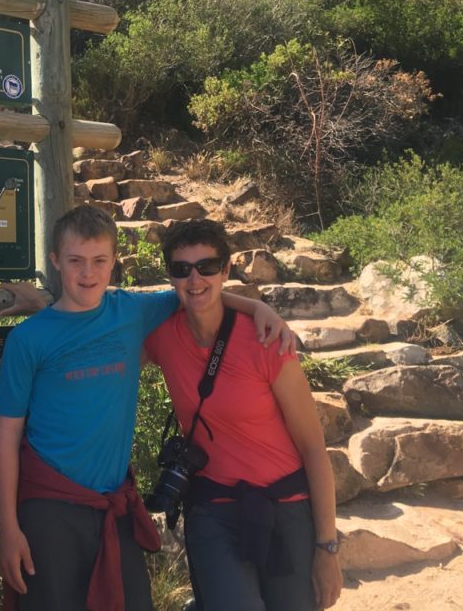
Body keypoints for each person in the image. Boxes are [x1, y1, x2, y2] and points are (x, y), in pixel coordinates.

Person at [0, 204, 295, 611]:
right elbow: (6, 436)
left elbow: (197, 293)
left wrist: (259, 307)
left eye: (99, 261)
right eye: (75, 261)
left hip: (113, 503)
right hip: (51, 507)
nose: (87, 273)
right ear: (55, 262)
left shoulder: (132, 310)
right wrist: (8, 530)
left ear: (114, 263)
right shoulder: (28, 340)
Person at [144, 219, 342, 611]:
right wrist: (42, 304)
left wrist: (328, 548)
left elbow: (313, 448)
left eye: (208, 267)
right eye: (182, 269)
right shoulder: (162, 336)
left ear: (227, 269)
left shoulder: (266, 340)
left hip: (285, 509)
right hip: (214, 509)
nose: (195, 278)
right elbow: (97, 322)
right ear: (170, 276)